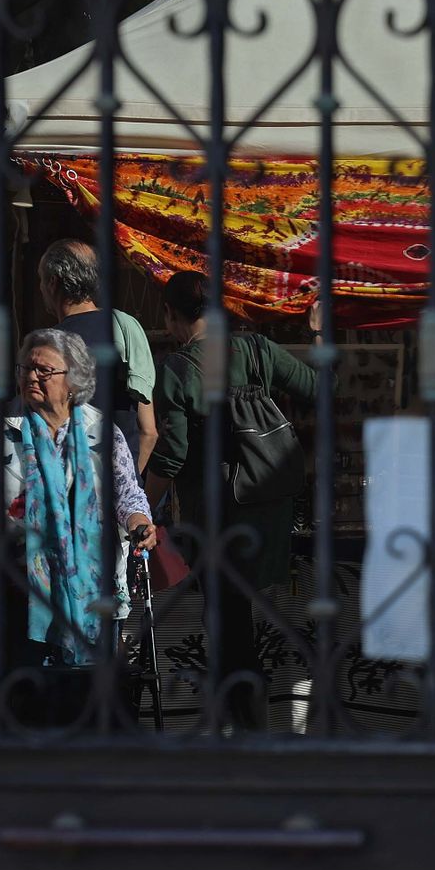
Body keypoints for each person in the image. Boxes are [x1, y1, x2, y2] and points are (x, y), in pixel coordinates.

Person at [143, 270, 316, 731]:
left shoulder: (178, 369)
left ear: (172, 316)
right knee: (250, 621)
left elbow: (172, 455)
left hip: (220, 517)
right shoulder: (257, 349)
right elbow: (319, 388)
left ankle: (243, 728)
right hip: (272, 509)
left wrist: (139, 506)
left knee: (228, 625)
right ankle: (255, 719)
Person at [0, 328, 155, 675]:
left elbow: (127, 492)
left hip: (93, 591)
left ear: (73, 381)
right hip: (19, 587)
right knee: (26, 698)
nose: (31, 376)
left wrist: (139, 520)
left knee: (89, 699)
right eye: (25, 368)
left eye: (44, 371)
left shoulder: (102, 431)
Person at [37, 239, 158, 473]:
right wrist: (129, 490)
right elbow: (149, 431)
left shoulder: (44, 346)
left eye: (41, 280)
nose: (40, 288)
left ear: (53, 283)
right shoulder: (126, 327)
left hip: (67, 493)